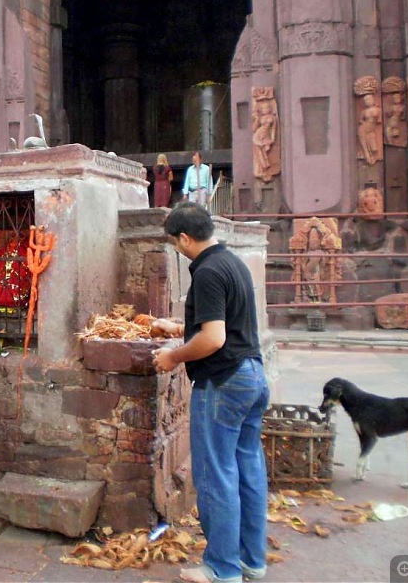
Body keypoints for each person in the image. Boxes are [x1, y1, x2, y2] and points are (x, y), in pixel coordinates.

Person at [151, 202, 269, 583]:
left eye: (175, 243)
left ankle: (222, 568)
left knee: (215, 474)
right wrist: (176, 327)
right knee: (248, 469)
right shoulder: (231, 262)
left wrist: (173, 357)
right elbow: (223, 322)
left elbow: (214, 338)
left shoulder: (207, 271)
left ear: (185, 238)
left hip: (225, 381)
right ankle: (252, 561)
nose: (177, 249)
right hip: (253, 376)